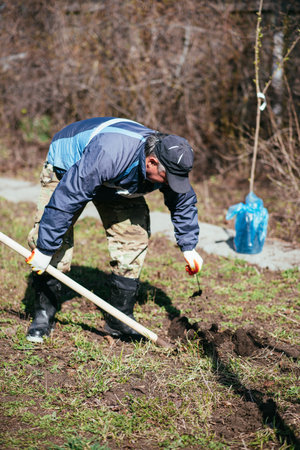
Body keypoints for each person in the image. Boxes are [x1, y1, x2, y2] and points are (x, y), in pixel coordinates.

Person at [25, 117, 203, 342]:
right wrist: (45, 248)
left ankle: (119, 320)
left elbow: (183, 202)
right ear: (151, 162)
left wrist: (188, 247)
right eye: (168, 179)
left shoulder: (168, 160)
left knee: (133, 239)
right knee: (52, 244)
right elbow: (67, 198)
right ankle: (43, 315)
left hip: (119, 181)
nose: (171, 185)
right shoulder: (109, 153)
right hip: (69, 164)